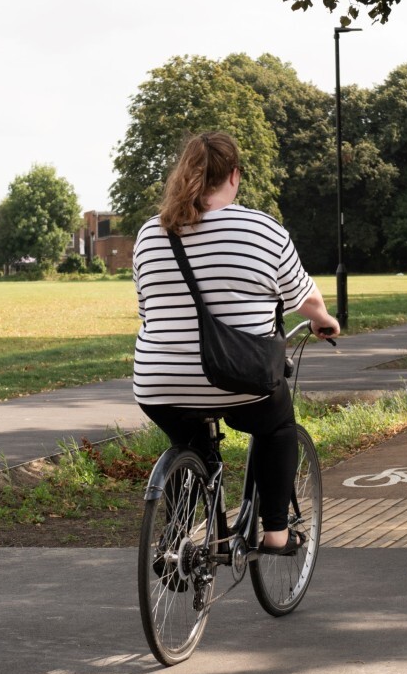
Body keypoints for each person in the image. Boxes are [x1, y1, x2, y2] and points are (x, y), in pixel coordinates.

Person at [133, 132, 340, 555]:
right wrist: (324, 321)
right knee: (278, 426)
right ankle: (277, 533)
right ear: (234, 176)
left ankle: (179, 543)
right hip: (240, 378)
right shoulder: (262, 229)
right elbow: (305, 298)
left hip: (159, 382)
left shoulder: (150, 234)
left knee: (190, 444)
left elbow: (147, 308)